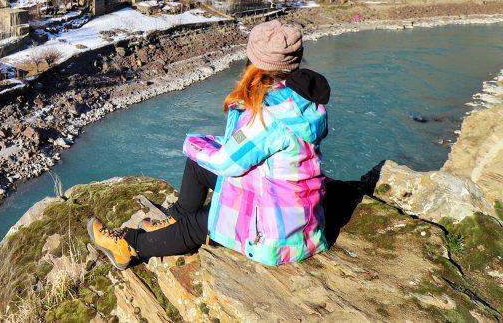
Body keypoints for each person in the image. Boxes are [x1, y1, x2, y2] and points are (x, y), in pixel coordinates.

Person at [88, 19, 331, 269]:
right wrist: (203, 147)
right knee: (197, 166)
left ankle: (130, 246)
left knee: (205, 220)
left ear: (256, 63)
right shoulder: (298, 98)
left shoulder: (268, 115)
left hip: (276, 235)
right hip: (295, 212)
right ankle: (175, 217)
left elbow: (226, 162)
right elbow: (251, 147)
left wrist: (191, 142)